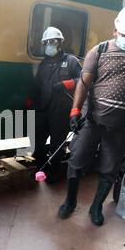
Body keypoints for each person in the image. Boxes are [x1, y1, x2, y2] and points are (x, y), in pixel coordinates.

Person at [58, 5, 125, 225]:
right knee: (76, 162)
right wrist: (75, 110)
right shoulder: (100, 51)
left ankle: (96, 207)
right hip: (92, 120)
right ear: (115, 29)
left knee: (110, 169)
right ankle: (70, 202)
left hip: (120, 125)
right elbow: (84, 83)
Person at [30, 26, 82, 183]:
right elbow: (37, 85)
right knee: (37, 142)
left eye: (51, 42)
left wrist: (66, 84)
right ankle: (40, 167)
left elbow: (82, 81)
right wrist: (29, 101)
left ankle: (53, 173)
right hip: (42, 109)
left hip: (60, 111)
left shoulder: (71, 61)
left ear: (59, 43)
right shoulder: (44, 64)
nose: (48, 46)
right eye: (45, 43)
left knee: (56, 145)